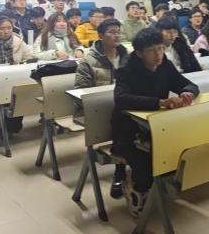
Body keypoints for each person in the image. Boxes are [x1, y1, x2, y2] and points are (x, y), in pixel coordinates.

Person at [112, 28, 199, 217]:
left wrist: (188, 92)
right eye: (151, 51)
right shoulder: (127, 68)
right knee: (146, 165)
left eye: (160, 49)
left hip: (156, 127)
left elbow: (188, 84)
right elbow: (121, 98)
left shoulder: (164, 64)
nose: (158, 55)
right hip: (127, 130)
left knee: (178, 150)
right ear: (139, 53)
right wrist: (160, 102)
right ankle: (135, 189)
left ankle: (158, 188)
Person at [75, 18, 129, 199]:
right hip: (98, 110)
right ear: (100, 36)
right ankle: (120, 172)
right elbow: (81, 93)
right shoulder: (89, 61)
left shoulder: (127, 56)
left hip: (123, 106)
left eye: (118, 32)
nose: (116, 35)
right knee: (125, 124)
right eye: (112, 32)